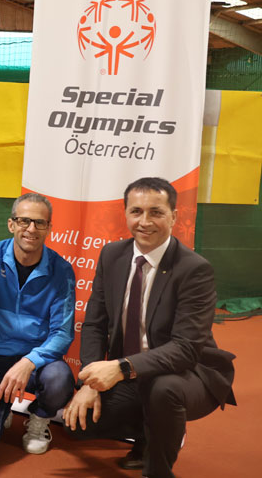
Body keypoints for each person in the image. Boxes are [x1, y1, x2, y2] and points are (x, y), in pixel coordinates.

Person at [63, 177, 236, 477]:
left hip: (189, 373)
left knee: (163, 391)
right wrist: (89, 381)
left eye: (156, 212)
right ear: (126, 213)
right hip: (133, 370)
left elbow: (185, 349)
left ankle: (158, 466)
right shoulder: (112, 255)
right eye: (136, 211)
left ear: (174, 216)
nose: (145, 222)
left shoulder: (194, 269)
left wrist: (120, 368)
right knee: (81, 425)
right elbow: (94, 323)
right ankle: (152, 432)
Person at [0, 193, 76, 459]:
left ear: (49, 228)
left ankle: (39, 418)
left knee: (60, 380)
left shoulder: (62, 270)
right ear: (11, 224)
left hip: (37, 363)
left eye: (40, 222)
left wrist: (29, 362)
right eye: (24, 221)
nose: (31, 229)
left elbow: (62, 333)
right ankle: (1, 409)